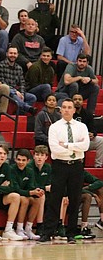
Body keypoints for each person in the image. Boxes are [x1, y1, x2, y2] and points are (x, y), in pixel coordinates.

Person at [43, 98, 89, 241]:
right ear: (60, 109)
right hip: (60, 165)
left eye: (70, 107)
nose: (67, 110)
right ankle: (48, 232)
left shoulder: (82, 127)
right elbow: (55, 149)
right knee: (55, 199)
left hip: (77, 165)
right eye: (64, 107)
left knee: (74, 200)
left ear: (74, 110)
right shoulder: (54, 127)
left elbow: (85, 146)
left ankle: (71, 233)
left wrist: (67, 145)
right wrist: (75, 146)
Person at [10, 149, 42, 240]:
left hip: (24, 194)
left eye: (23, 160)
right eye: (19, 159)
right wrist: (31, 192)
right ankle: (19, 229)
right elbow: (15, 188)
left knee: (37, 200)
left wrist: (36, 191)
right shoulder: (12, 169)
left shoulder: (30, 171)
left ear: (28, 161)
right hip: (12, 195)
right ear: (15, 159)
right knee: (25, 199)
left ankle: (28, 228)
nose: (20, 162)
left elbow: (31, 186)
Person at [0, 47, 36, 113]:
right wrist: (15, 91)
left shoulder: (19, 68)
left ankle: (19, 113)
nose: (13, 55)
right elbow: (1, 81)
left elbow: (22, 83)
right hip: (5, 90)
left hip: (16, 92)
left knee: (32, 97)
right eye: (11, 53)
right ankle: (27, 108)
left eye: (15, 53)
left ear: (17, 55)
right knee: (11, 92)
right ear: (6, 54)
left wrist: (22, 93)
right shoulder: (0, 65)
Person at [72, 93, 103, 168]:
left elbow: (93, 128)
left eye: (79, 99)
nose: (77, 101)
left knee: (101, 141)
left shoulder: (88, 113)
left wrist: (92, 133)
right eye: (75, 99)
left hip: (86, 140)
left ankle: (98, 165)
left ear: (83, 102)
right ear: (72, 101)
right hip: (72, 141)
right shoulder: (69, 114)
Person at [28, 145, 52, 238]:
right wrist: (45, 188)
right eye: (37, 154)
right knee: (41, 195)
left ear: (46, 157)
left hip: (44, 192)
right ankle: (39, 225)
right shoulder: (29, 167)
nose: (39, 157)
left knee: (61, 197)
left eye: (42, 155)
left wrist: (46, 188)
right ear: (33, 156)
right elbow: (32, 185)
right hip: (31, 192)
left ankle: (58, 225)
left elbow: (50, 183)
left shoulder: (48, 167)